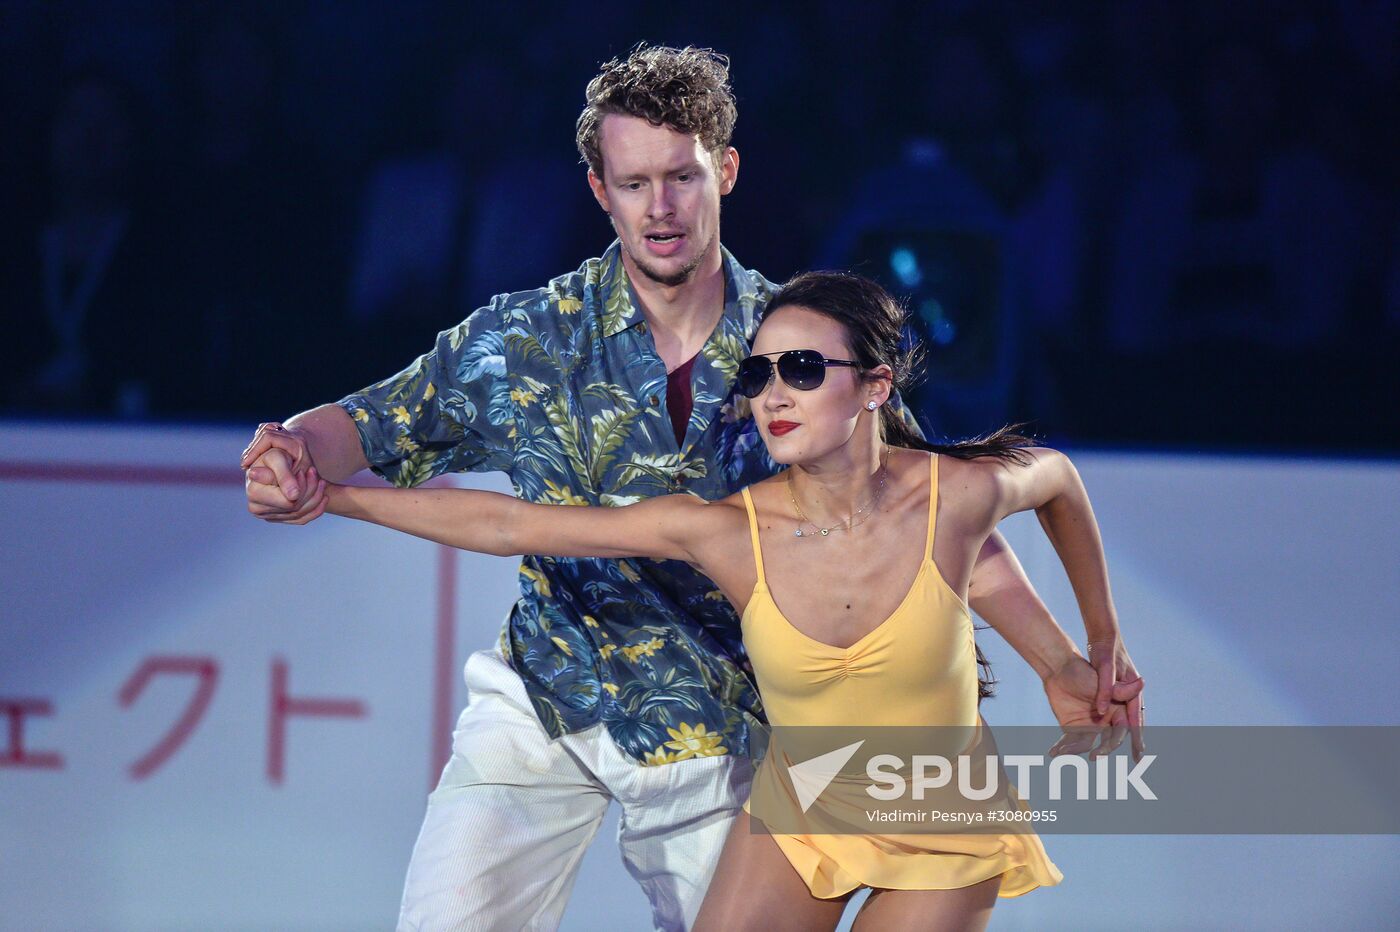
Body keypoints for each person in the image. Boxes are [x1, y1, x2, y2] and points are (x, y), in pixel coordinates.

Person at [241, 46, 1143, 930]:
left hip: (725, 725)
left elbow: (933, 526)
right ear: (600, 191)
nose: (660, 208)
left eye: (682, 177)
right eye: (634, 184)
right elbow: (384, 424)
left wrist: (1065, 659)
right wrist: (298, 456)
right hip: (547, 692)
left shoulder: (801, 339)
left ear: (728, 171)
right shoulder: (527, 338)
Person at [309, 270, 1138, 929]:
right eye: (759, 372)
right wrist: (335, 496)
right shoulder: (725, 532)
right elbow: (507, 521)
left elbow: (1058, 481)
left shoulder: (954, 497)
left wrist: (1089, 650)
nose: (775, 394)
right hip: (805, 806)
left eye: (805, 370)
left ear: (876, 386)